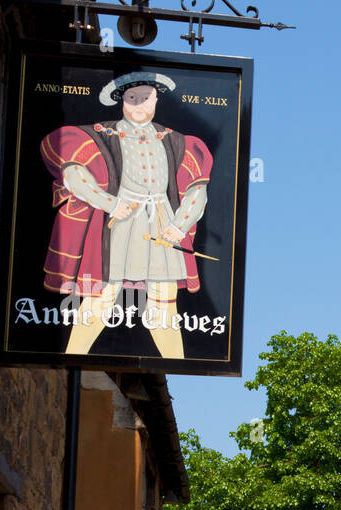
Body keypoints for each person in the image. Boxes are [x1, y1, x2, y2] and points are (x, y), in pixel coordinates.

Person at [39, 71, 213, 358]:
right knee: (100, 298)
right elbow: (72, 173)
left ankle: (177, 362)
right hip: (115, 224)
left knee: (164, 305)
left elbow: (198, 192)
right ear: (121, 101)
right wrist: (108, 203)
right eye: (132, 98)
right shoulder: (97, 135)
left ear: (157, 99)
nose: (139, 104)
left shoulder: (178, 142)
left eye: (146, 98)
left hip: (161, 220)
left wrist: (179, 226)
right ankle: (72, 357)